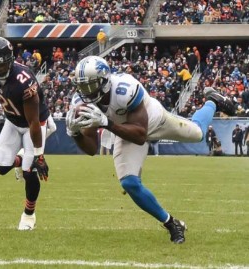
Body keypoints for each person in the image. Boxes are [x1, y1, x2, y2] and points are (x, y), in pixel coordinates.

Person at [65, 56, 235, 244]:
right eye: (82, 86)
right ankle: (171, 223)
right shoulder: (82, 102)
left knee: (197, 133)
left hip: (153, 121)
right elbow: (91, 149)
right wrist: (76, 134)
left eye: (90, 85)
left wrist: (106, 123)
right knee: (129, 183)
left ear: (104, 81)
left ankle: (212, 101)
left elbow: (140, 135)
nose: (85, 92)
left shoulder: (125, 88)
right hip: (123, 130)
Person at [0, 37, 50, 231]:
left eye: (3, 64)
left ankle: (28, 215)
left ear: (10, 59)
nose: (0, 69)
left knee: (30, 170)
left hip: (34, 124)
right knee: (1, 167)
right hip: (12, 121)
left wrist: (39, 155)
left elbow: (33, 121)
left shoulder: (23, 80)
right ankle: (19, 159)